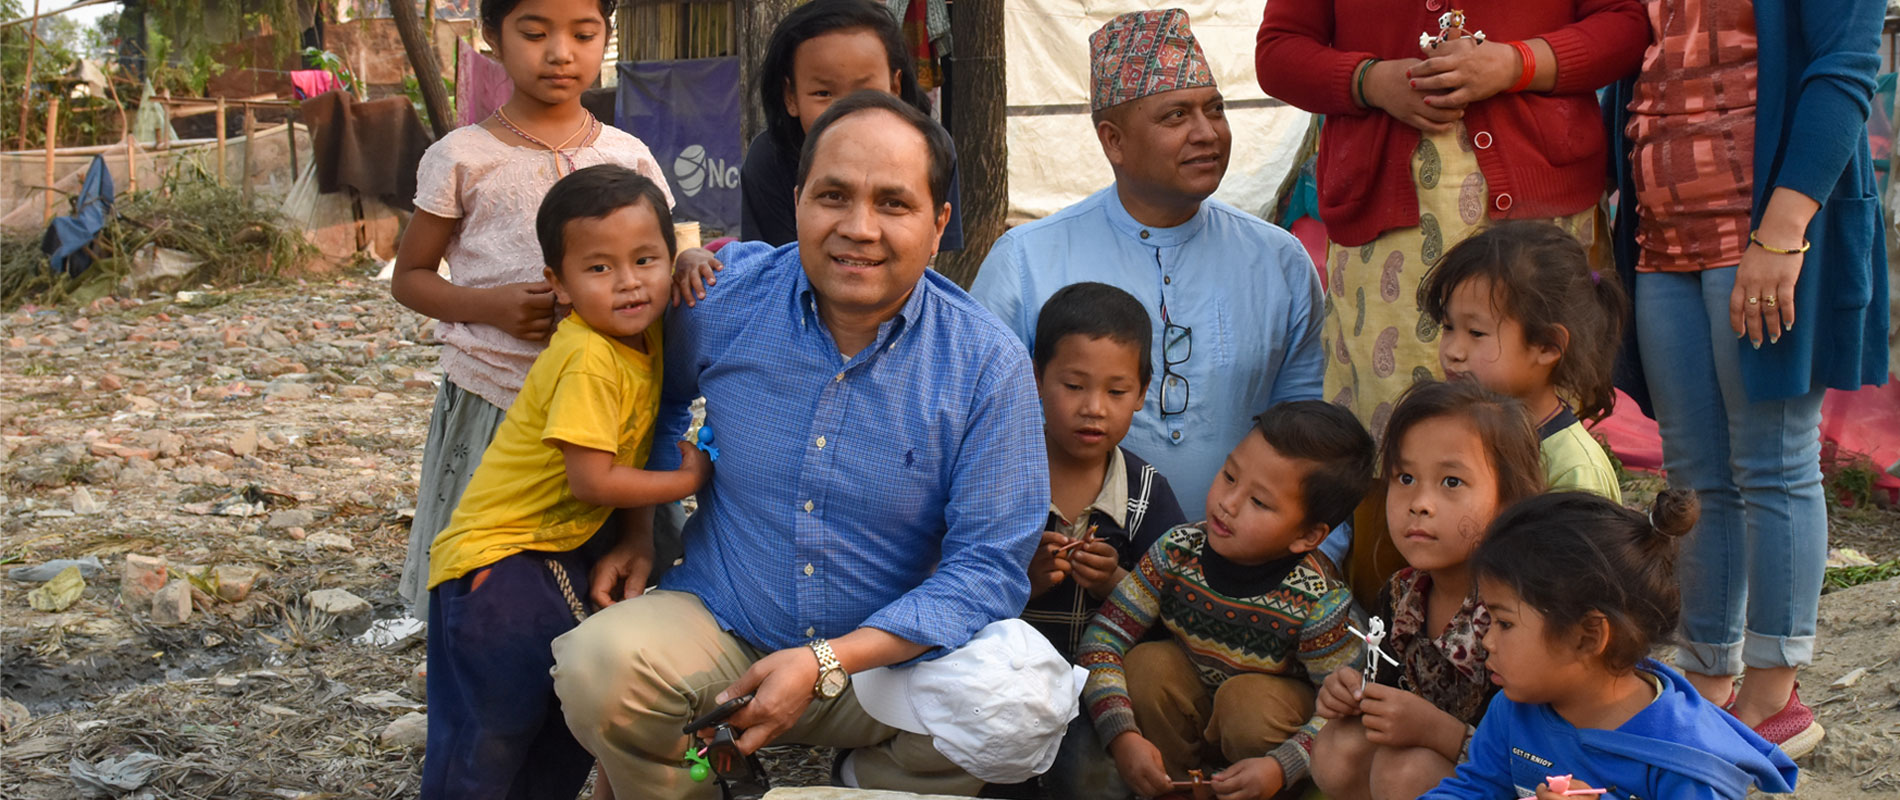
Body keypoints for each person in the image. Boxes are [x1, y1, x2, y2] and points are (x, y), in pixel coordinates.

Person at [548, 91, 1053, 799]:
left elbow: (988, 568)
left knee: (1019, 709)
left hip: (885, 662)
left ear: (939, 223)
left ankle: (863, 780)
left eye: (894, 203)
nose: (859, 228)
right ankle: (707, 780)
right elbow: (655, 408)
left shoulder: (985, 363)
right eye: (833, 196)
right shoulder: (721, 300)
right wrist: (638, 528)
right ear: (797, 202)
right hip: (727, 623)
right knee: (598, 672)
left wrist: (827, 660)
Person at [1604, 0, 1889, 758]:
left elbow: (1843, 69)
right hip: (1663, 240)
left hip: (1766, 236)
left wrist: (1783, 234)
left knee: (1774, 462)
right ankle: (1707, 676)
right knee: (1693, 474)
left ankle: (1774, 693)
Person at [421, 165, 710, 799]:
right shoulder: (588, 357)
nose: (628, 282)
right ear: (559, 283)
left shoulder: (643, 327)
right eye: (599, 268)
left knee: (558, 730)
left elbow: (709, 254)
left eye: (645, 260)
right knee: (490, 736)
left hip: (552, 553)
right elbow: (592, 480)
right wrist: (686, 478)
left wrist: (692, 258)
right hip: (499, 564)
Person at [971, 8, 1324, 523]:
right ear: (1113, 140)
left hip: (1243, 563)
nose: (1207, 133)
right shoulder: (1026, 262)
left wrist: (1320, 552)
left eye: (1215, 110)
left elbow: (1310, 427)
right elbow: (979, 430)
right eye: (1176, 116)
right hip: (1070, 559)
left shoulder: (1279, 260)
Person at [391, 0, 673, 620]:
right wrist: (487, 306)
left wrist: (696, 261)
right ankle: (477, 650)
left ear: (606, 36)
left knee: (602, 581)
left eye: (583, 33)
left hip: (609, 407)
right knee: (489, 581)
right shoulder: (463, 157)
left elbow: (667, 260)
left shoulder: (628, 156)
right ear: (492, 36)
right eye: (536, 32)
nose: (560, 53)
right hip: (497, 397)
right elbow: (409, 278)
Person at [1256, 0, 1647, 431]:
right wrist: (1370, 81)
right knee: (1395, 428)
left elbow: (1624, 26)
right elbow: (1278, 53)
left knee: (1541, 432)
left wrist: (1517, 64)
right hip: (1383, 219)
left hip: (1541, 210)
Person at [1077, 401, 1376, 800]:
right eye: (1230, 476)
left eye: (1259, 502)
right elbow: (1101, 640)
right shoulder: (1177, 550)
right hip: (1192, 718)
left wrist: (1279, 768)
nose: (1228, 503)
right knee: (1147, 665)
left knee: (1246, 704)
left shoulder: (1320, 603)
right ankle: (1176, 789)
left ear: (1308, 536)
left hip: (1267, 745)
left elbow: (1342, 714)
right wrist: (1122, 737)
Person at [1422, 490, 1799, 799]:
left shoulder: (1684, 759)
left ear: (1588, 637)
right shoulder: (1515, 709)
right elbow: (1475, 788)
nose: (1487, 639)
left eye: (1505, 623)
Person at [1310, 379, 1545, 800]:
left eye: (1451, 482)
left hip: (1506, 782)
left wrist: (1438, 731)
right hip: (1415, 772)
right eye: (1405, 477)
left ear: (1510, 502)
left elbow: (1536, 757)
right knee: (1337, 745)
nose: (1418, 502)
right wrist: (1353, 694)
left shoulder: (1519, 614)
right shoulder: (1402, 593)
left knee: (1406, 771)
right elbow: (1386, 687)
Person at [1020, 282, 1187, 660]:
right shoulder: (1000, 476)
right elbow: (951, 581)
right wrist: (1023, 582)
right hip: (1005, 676)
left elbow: (1180, 609)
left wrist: (1115, 583)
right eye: (1074, 385)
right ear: (1037, 378)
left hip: (1111, 678)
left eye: (1116, 392)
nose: (1094, 408)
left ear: (1142, 392)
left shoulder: (1147, 493)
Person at [1419, 222, 1627, 501]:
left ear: (1548, 346)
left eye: (1476, 333)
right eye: (1448, 327)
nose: (1453, 351)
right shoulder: (1460, 434)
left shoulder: (1574, 472)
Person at [738, 0, 962, 251]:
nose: (846, 112)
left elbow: (929, 255)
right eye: (823, 93)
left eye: (865, 92)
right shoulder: (769, 159)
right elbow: (774, 263)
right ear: (791, 96)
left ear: (895, 87)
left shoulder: (929, 150)